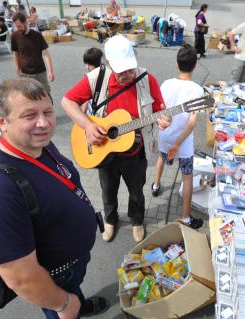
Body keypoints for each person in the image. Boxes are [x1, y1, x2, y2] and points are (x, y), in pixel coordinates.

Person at [0, 78, 109, 319]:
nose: (43, 123)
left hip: (72, 265)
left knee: (74, 292)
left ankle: (79, 303)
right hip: (53, 278)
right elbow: (22, 278)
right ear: (1, 121)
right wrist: (63, 304)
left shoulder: (38, 145)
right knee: (64, 306)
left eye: (48, 112)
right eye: (29, 115)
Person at [61, 35, 171, 243]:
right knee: (107, 191)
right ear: (110, 64)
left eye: (131, 69)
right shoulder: (96, 77)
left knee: (136, 191)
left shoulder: (147, 79)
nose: (128, 75)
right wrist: (88, 125)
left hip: (135, 152)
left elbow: (160, 111)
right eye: (122, 72)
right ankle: (110, 221)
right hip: (105, 149)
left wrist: (164, 121)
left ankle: (137, 221)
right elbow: (67, 102)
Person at [151, 44, 204, 230]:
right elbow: (191, 123)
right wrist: (178, 144)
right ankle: (186, 218)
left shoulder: (166, 84)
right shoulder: (197, 90)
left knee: (161, 158)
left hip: (165, 137)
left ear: (176, 64)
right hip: (184, 145)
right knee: (187, 178)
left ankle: (156, 186)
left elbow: (158, 110)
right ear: (195, 65)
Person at [11, 13, 55, 93]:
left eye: (19, 26)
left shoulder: (37, 35)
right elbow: (15, 54)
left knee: (45, 94)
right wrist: (17, 71)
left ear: (25, 23)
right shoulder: (14, 36)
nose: (17, 29)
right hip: (25, 74)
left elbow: (46, 54)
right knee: (29, 97)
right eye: (15, 26)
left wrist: (50, 71)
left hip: (40, 72)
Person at [80, 47, 104, 113]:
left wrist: (82, 115)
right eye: (86, 63)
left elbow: (85, 101)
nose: (87, 67)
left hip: (94, 112)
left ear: (97, 63)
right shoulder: (106, 74)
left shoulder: (88, 77)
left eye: (90, 64)